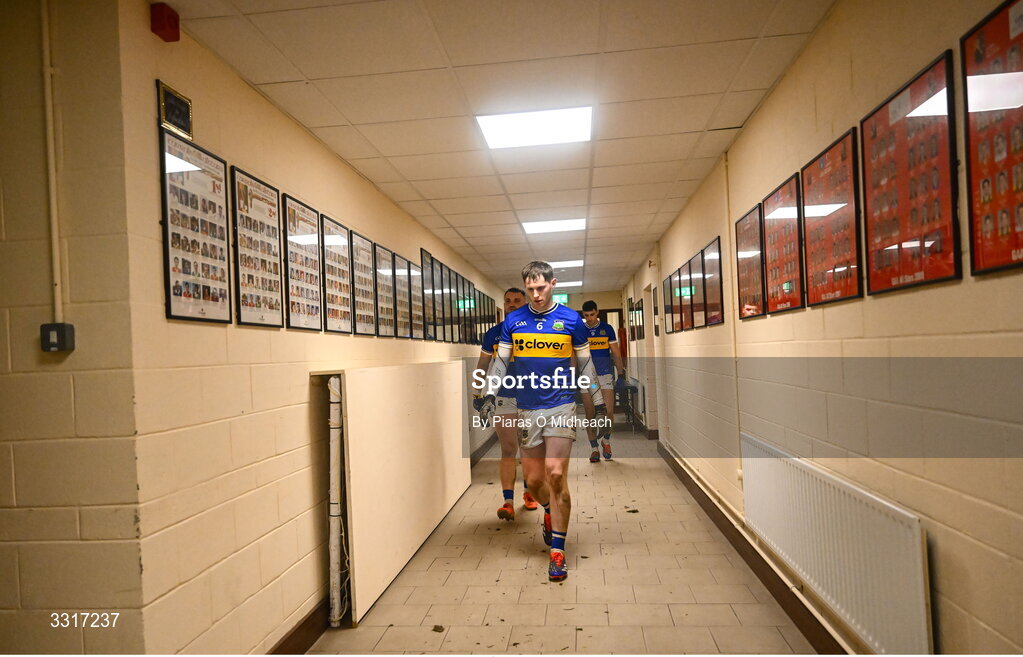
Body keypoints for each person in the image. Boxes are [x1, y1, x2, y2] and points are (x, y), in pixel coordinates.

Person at [478, 261, 607, 583]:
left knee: (556, 473)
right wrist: (487, 392)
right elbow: (501, 361)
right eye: (530, 289)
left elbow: (586, 363)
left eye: (541, 288)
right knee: (535, 482)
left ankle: (558, 552)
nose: (535, 296)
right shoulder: (514, 321)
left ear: (553, 284)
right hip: (527, 408)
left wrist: (599, 399)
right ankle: (550, 510)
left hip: (561, 405)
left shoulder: (571, 320)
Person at [474, 288, 537, 520]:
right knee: (509, 449)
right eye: (508, 301)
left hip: (531, 397)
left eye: (517, 301)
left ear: (526, 302)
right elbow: (482, 367)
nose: (511, 304)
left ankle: (530, 493)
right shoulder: (493, 334)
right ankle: (508, 501)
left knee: (529, 449)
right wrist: (477, 394)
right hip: (503, 397)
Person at [578, 300, 626, 463]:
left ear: (597, 312)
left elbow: (616, 352)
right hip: (587, 378)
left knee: (609, 412)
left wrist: (621, 374)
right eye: (586, 316)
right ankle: (594, 449)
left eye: (592, 314)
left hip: (605, 376)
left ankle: (606, 440)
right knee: (590, 414)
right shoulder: (580, 330)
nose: (589, 318)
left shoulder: (607, 329)